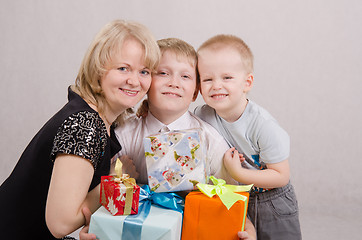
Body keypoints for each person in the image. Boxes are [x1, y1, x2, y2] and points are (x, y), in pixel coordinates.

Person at [79, 37, 255, 240]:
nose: (174, 83)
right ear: (146, 83)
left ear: (195, 92)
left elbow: (234, 199)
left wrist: (248, 229)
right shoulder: (123, 136)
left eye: (186, 76)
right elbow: (99, 202)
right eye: (163, 73)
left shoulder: (210, 140)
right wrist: (95, 226)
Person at [0, 19, 160, 239]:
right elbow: (61, 223)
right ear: (98, 71)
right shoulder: (85, 124)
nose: (134, 80)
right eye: (123, 68)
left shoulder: (97, 118)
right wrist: (115, 179)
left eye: (144, 72)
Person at [195, 34, 302, 239]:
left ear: (247, 82)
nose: (216, 85)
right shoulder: (203, 115)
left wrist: (239, 173)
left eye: (227, 78)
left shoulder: (262, 125)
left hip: (272, 200)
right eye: (207, 79)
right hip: (234, 197)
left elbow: (281, 175)